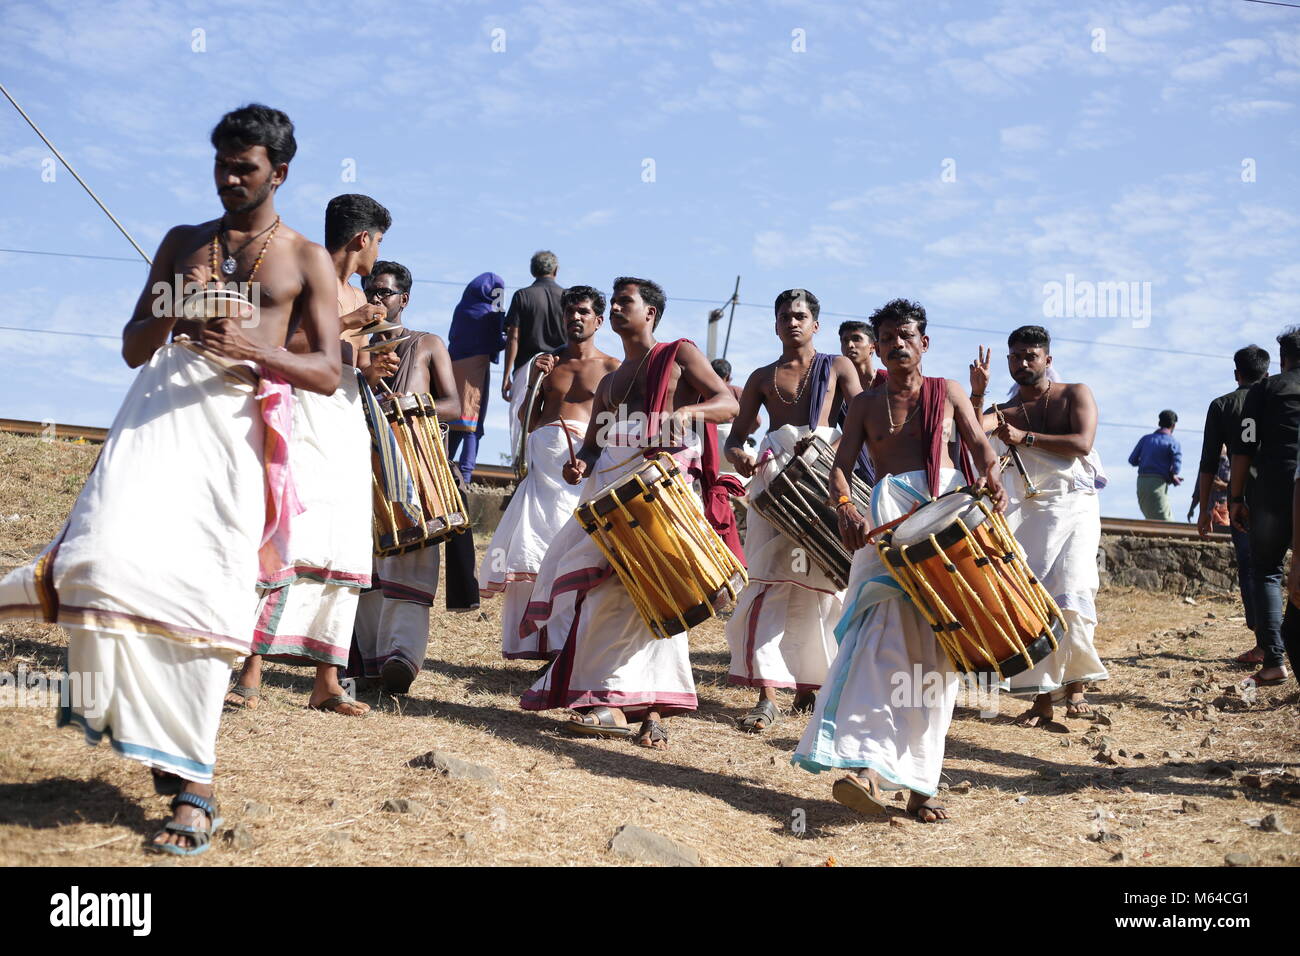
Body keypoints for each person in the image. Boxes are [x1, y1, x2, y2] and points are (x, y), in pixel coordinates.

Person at [0, 104, 342, 853]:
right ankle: (146, 730)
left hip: (236, 431)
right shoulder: (182, 242)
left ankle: (195, 788)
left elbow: (329, 371)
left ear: (278, 173)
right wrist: (173, 314)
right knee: (103, 558)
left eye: (243, 168)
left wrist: (258, 348)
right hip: (158, 414)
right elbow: (131, 345)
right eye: (220, 164)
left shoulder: (306, 259)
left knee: (209, 595)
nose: (227, 178)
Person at [792, 298, 1006, 823]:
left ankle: (920, 784)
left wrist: (993, 477)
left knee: (938, 658)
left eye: (906, 336)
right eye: (887, 338)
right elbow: (839, 470)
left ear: (924, 343)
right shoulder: (865, 404)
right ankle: (866, 766)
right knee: (878, 642)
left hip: (941, 524)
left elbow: (980, 446)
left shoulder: (948, 391)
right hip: (886, 528)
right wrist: (844, 505)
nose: (896, 345)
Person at [519, 277, 740, 749]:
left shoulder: (679, 354)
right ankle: (619, 701)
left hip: (663, 496)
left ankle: (649, 708)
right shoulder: (611, 383)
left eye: (626, 302)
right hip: (612, 499)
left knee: (660, 593)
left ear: (651, 314)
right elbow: (596, 447)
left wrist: (690, 415)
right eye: (614, 302)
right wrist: (581, 462)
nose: (616, 308)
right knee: (607, 596)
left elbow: (728, 404)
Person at [227, 195, 393, 716]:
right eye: (379, 241)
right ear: (362, 239)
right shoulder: (305, 276)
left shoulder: (353, 291)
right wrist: (349, 323)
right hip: (301, 413)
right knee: (289, 532)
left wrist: (370, 365)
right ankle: (250, 671)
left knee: (343, 540)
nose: (378, 254)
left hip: (344, 418)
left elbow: (348, 359)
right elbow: (278, 340)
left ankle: (327, 680)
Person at [723, 289, 861, 732]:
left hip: (823, 477)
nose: (793, 322)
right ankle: (767, 693)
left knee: (821, 586)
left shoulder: (837, 366)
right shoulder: (762, 376)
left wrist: (826, 447)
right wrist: (739, 455)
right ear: (775, 324)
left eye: (801, 316)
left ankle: (811, 684)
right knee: (767, 578)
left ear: (816, 324)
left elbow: (861, 419)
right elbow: (735, 437)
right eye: (785, 316)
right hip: (774, 483)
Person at [970, 328, 1109, 725]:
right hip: (1029, 513)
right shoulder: (1005, 409)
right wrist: (977, 393)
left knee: (1075, 589)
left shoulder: (1074, 393)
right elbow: (972, 433)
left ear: (1047, 359)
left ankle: (1077, 686)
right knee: (1036, 603)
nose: (1022, 363)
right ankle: (1043, 698)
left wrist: (1025, 437)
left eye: (1030, 355)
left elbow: (1082, 443)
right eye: (1015, 357)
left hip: (1075, 506)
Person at [479, 285, 620, 659]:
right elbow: (527, 421)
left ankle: (568, 650)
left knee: (569, 556)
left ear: (598, 320)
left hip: (578, 477)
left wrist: (589, 459)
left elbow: (614, 426)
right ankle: (538, 647)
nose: (575, 317)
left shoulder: (612, 368)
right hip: (540, 475)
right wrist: (534, 381)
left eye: (583, 312)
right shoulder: (548, 363)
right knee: (531, 555)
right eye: (569, 312)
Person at [350, 261, 461, 693]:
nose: (376, 300)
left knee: (412, 557)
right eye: (370, 292)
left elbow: (454, 404)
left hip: (416, 469)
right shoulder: (350, 348)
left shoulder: (428, 344)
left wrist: (412, 404)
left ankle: (402, 659)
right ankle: (368, 663)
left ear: (404, 299)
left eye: (384, 293)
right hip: (363, 468)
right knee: (367, 565)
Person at [1230, 328, 1300, 688]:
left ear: (1283, 358)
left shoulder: (1264, 391)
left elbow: (1243, 448)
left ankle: (1274, 660)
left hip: (1273, 491)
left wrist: (1236, 497)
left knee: (1268, 570)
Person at [1197, 345, 1269, 665]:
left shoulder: (1222, 405)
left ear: (1236, 373)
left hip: (1243, 498)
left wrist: (1203, 510)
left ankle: (1264, 643)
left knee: (1253, 568)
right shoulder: (1280, 398)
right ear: (1267, 372)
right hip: (1284, 492)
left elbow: (1209, 462)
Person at [447, 272, 506, 484]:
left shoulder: (462, 309)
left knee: (454, 421)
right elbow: (496, 341)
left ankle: (445, 463)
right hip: (476, 369)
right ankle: (465, 474)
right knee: (473, 424)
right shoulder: (487, 313)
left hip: (452, 366)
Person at [501, 250, 565, 399]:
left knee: (523, 418)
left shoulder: (522, 295)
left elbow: (513, 338)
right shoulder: (566, 297)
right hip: (559, 368)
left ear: (533, 271)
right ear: (555, 270)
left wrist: (506, 376)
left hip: (527, 369)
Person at [837, 320, 887, 484]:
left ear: (873, 346)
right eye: (845, 341)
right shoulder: (838, 389)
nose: (850, 345)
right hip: (856, 467)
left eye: (857, 339)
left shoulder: (888, 382)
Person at [1128, 410, 1182, 520]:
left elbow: (1132, 460)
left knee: (1150, 517)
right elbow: (1176, 468)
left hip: (1141, 482)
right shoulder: (1173, 442)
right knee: (1164, 520)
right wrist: (1170, 474)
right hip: (1158, 484)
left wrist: (1147, 461)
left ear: (1159, 423)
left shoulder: (1145, 439)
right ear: (1173, 425)